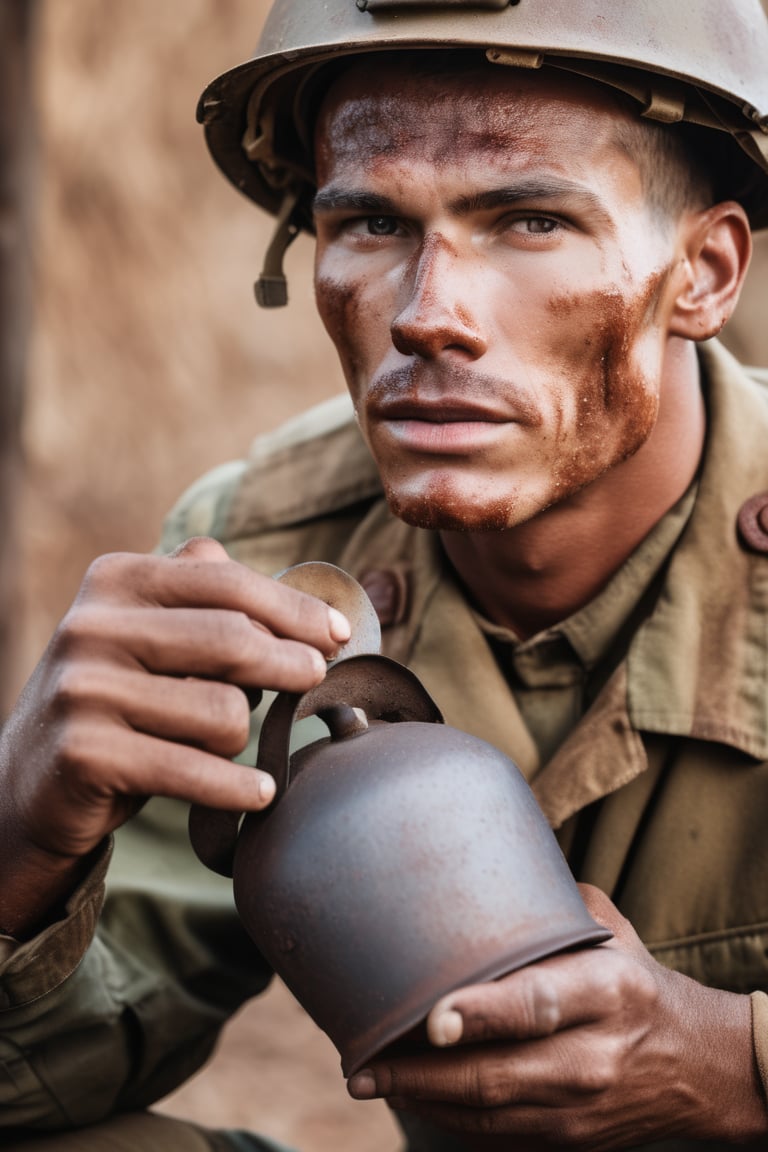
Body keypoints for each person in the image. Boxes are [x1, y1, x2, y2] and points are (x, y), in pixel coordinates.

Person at [2, 1, 768, 1149]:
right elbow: (50, 1077)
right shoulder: (261, 559)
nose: (429, 317)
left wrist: (734, 1066)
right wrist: (22, 846)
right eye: (369, 221)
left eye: (529, 222)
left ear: (703, 274)